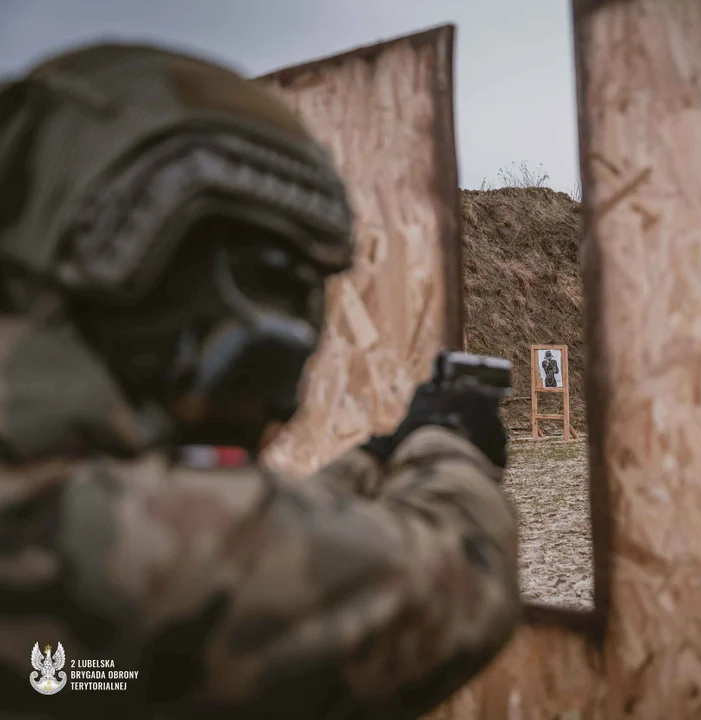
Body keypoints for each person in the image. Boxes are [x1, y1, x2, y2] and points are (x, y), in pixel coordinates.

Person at [0, 43, 520, 718]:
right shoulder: (57, 533)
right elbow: (457, 584)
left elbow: (214, 541)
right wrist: (450, 443)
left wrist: (375, 461)